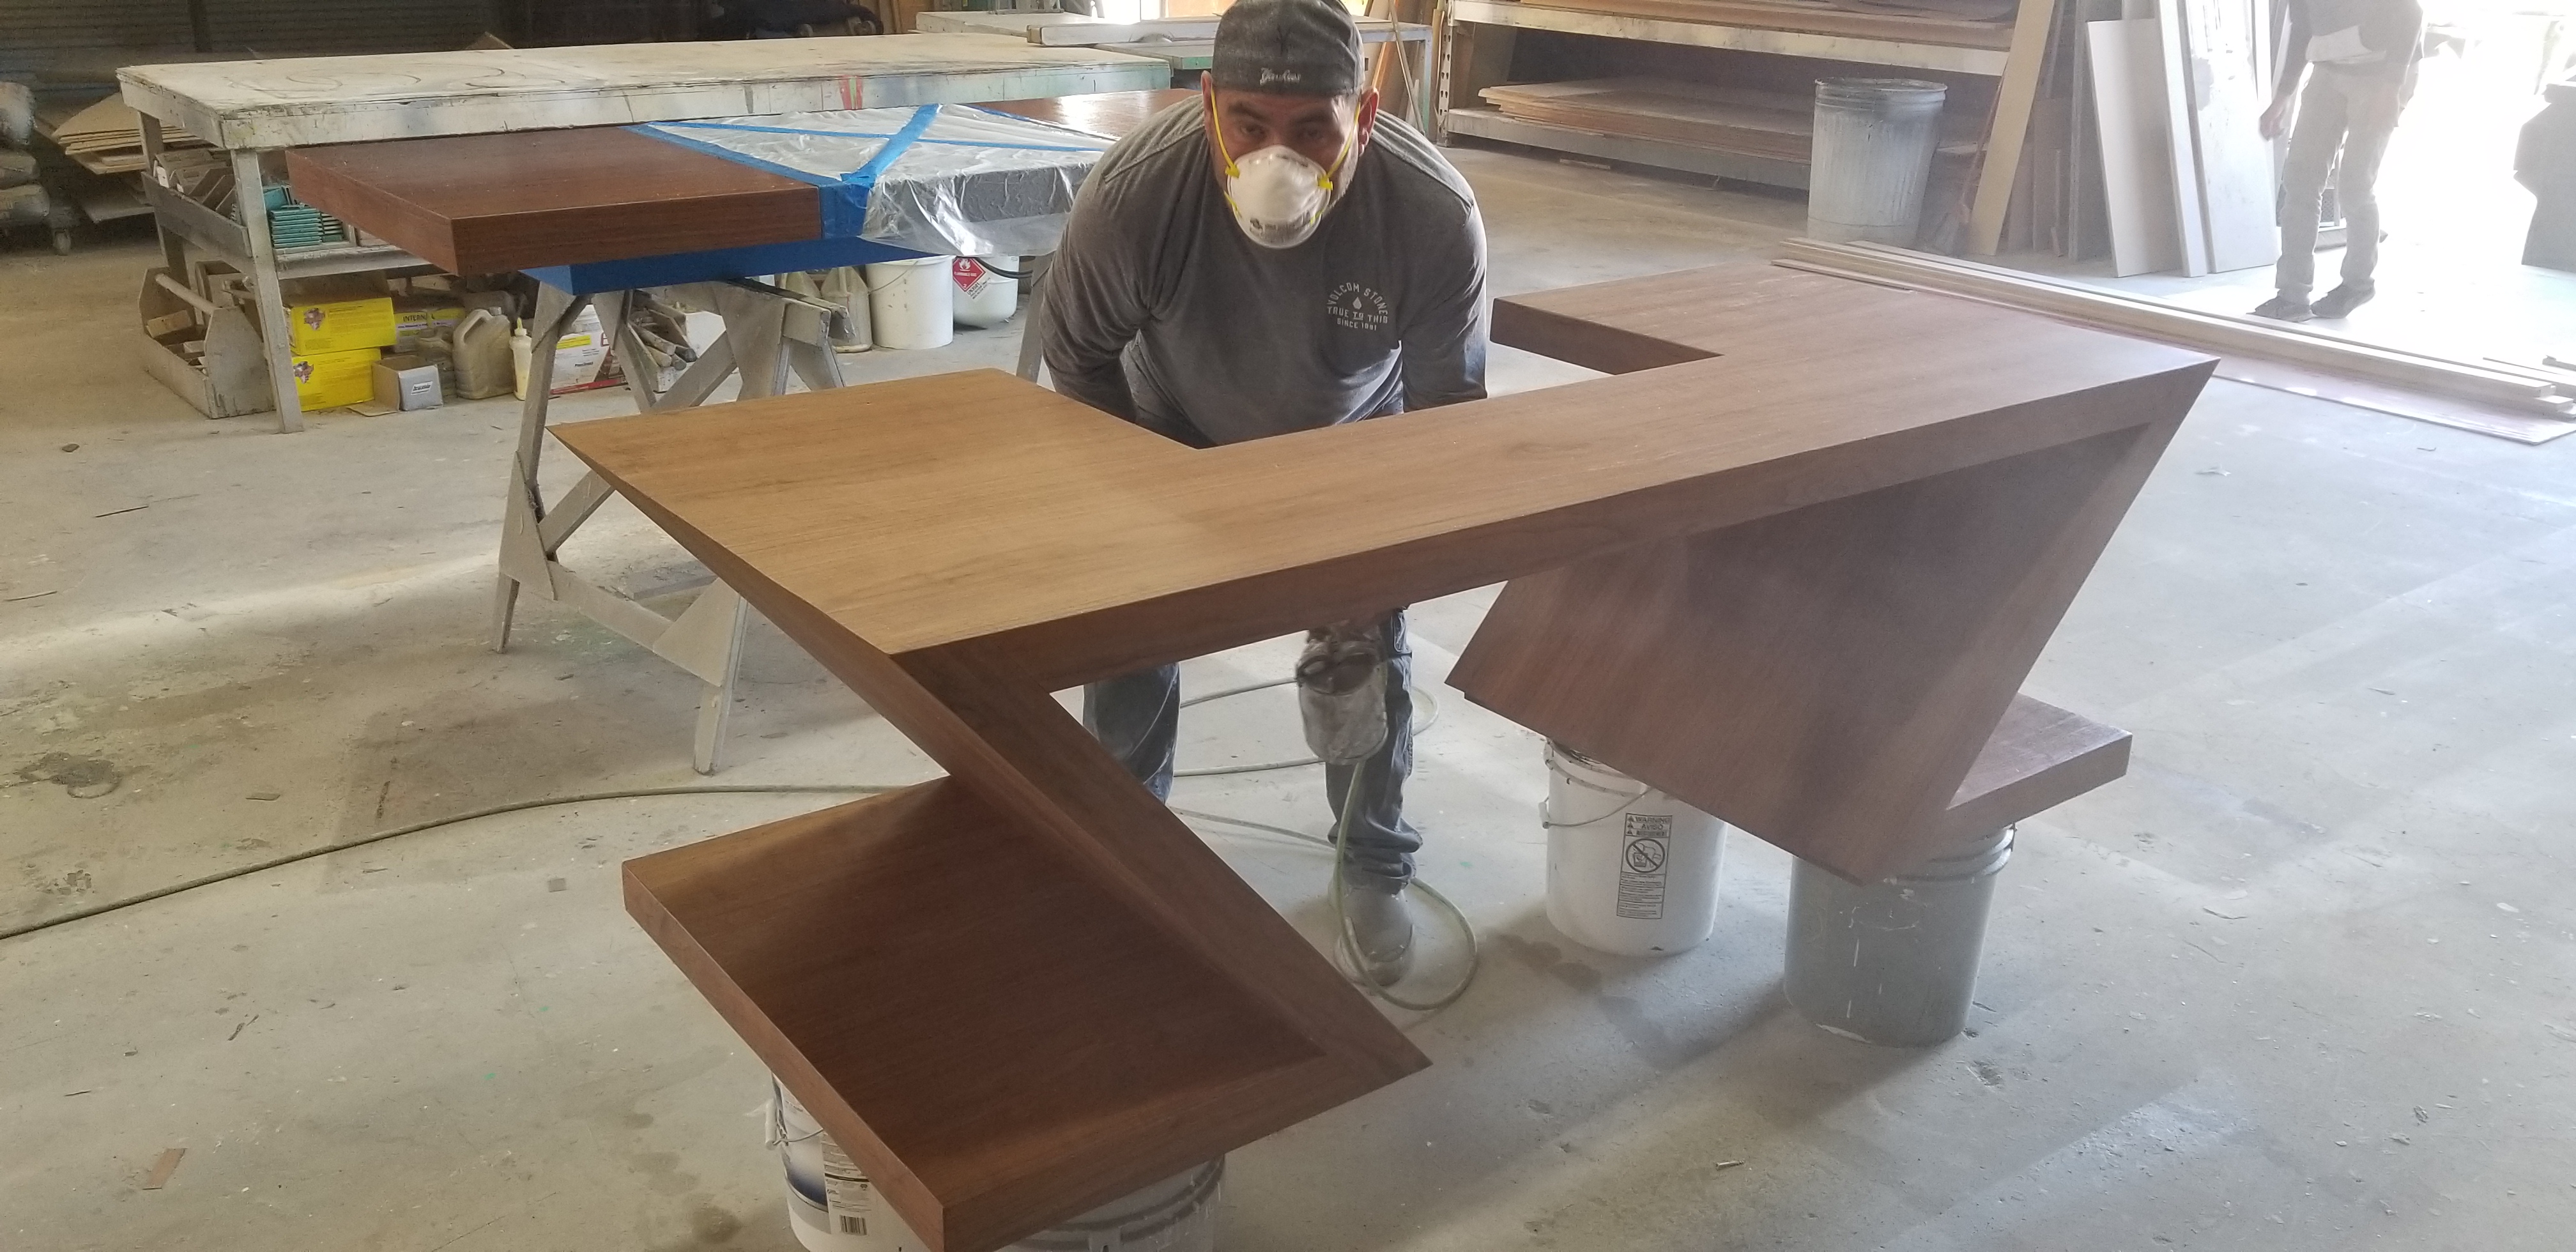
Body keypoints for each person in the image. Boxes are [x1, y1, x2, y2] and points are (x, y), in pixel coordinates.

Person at [1039, 0, 1489, 985]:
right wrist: (1137, 503)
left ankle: (1370, 860)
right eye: (1248, 125)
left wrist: (1379, 562)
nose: (1276, 159)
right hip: (1173, 425)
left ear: (1364, 115)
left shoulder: (1429, 214)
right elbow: (1078, 361)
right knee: (1130, 636)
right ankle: (1126, 856)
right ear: (1206, 105)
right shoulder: (1136, 198)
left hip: (1350, 442)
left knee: (1362, 648)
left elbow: (1451, 425)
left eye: (1313, 130)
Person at [2253, 0, 2425, 321]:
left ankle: (2358, 284)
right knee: (2300, 181)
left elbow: (2410, 12)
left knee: (2355, 185)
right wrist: (2283, 96)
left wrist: (2391, 88)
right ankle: (2292, 296)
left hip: (2383, 73)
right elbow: (2302, 29)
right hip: (2330, 69)